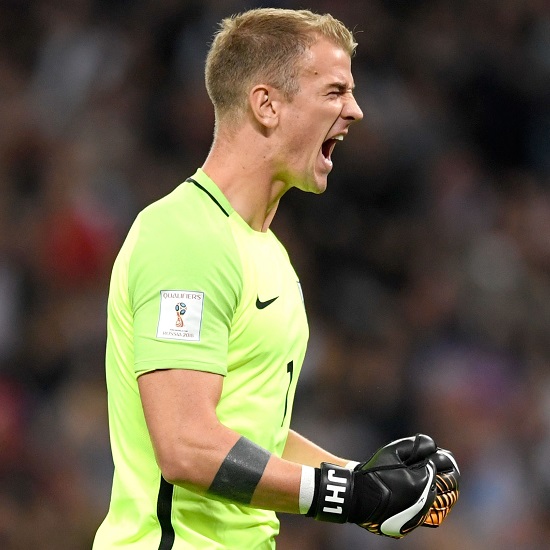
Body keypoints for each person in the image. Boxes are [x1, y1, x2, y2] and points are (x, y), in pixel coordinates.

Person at [93, 8, 459, 549]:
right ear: (267, 104)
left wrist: (370, 486)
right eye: (335, 92)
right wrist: (345, 494)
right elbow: (186, 445)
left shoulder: (268, 253)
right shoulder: (185, 237)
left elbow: (252, 437)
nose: (356, 111)